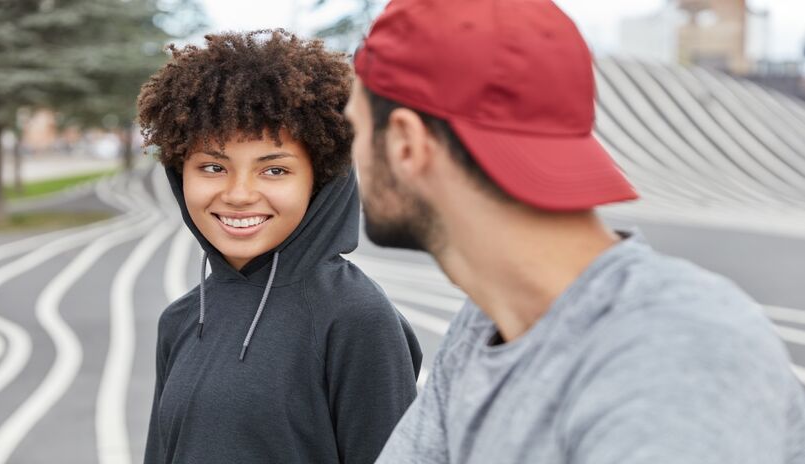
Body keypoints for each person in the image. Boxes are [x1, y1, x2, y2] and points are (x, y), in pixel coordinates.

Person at [343, 1, 805, 463]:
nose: (354, 158)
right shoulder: (484, 323)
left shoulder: (678, 353)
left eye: (356, 130)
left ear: (406, 142)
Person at [137, 30, 421, 464]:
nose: (238, 194)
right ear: (181, 175)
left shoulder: (356, 318)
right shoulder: (179, 320)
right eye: (213, 167)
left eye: (274, 171)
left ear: (320, 180)